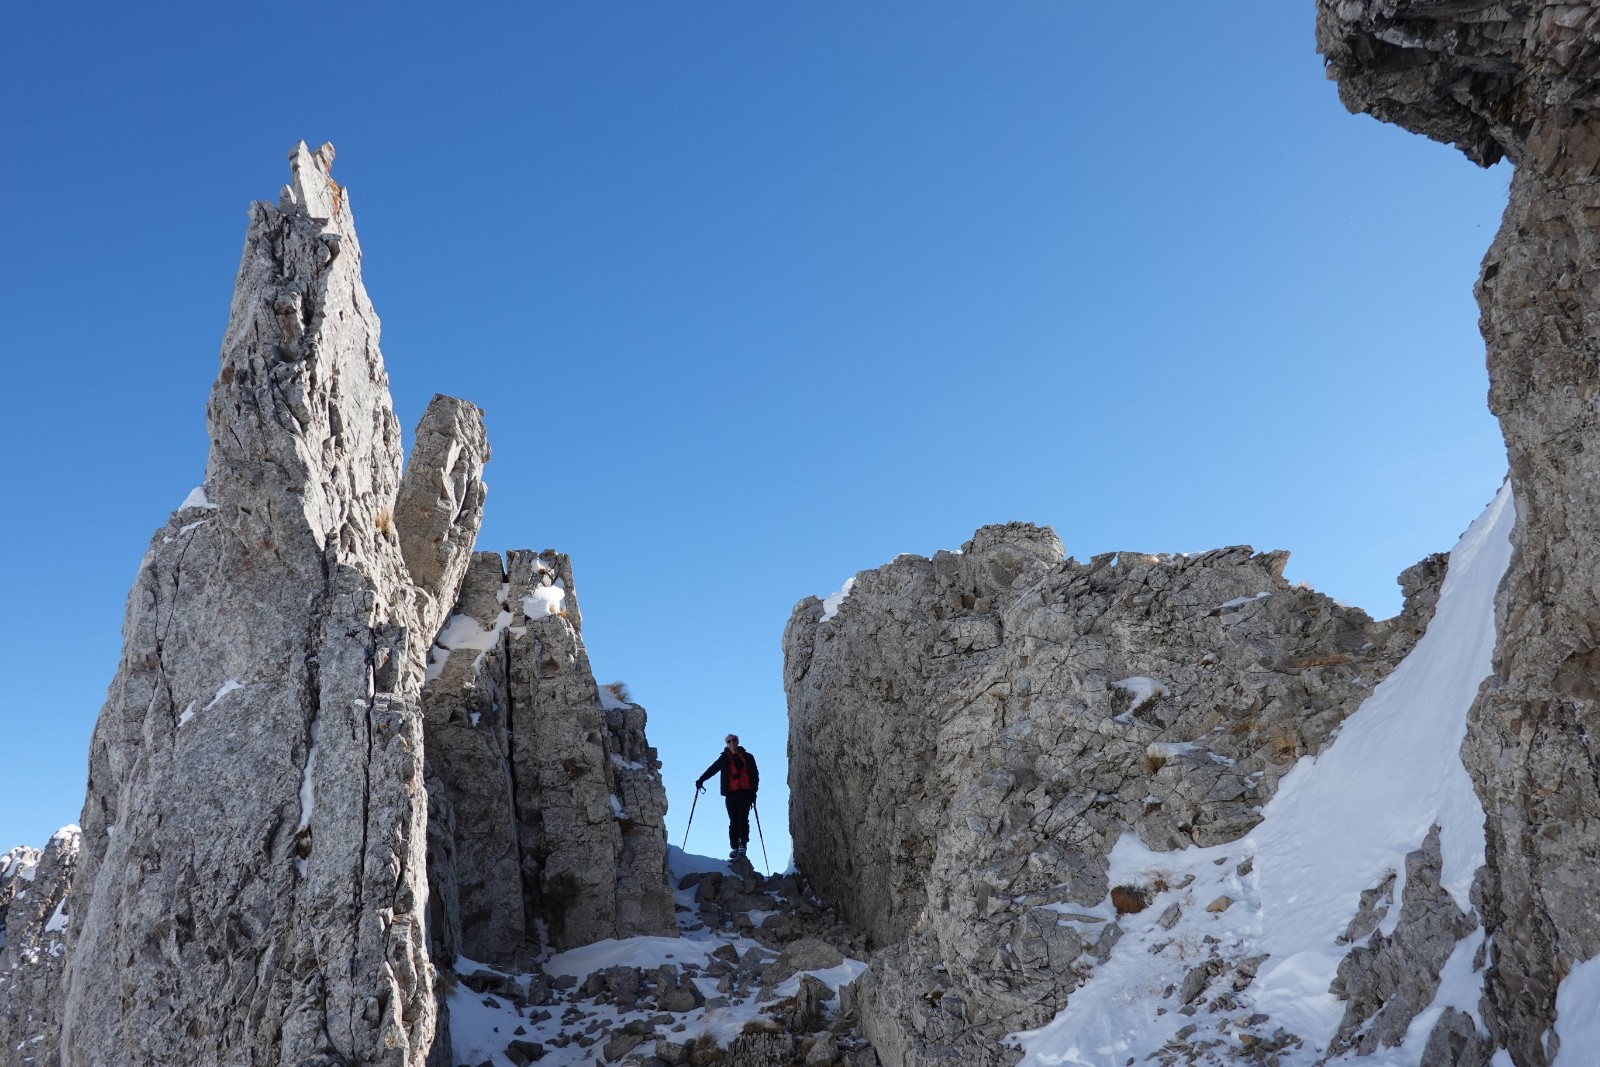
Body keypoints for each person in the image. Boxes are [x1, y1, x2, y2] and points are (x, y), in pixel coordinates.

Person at [695, 734, 759, 858]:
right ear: (727, 744)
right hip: (731, 793)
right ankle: (734, 846)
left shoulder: (748, 757)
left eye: (734, 740)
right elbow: (712, 769)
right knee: (733, 820)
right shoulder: (724, 758)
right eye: (729, 741)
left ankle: (742, 844)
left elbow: (755, 776)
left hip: (745, 793)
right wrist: (701, 780)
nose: (732, 743)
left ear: (738, 741)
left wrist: (754, 793)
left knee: (742, 819)